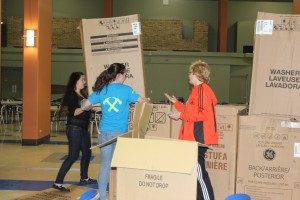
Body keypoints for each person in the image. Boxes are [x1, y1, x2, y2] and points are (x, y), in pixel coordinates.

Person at [81, 63, 148, 200]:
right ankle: (121, 192)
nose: (125, 77)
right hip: (120, 134)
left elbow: (85, 105)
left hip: (104, 132)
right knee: (121, 165)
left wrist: (92, 104)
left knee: (105, 165)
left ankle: (104, 196)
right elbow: (143, 102)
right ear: (119, 75)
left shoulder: (102, 90)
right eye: (125, 75)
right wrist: (147, 100)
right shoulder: (126, 90)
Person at [165, 60, 218, 200]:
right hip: (192, 139)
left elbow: (203, 115)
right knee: (196, 175)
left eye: (191, 72)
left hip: (197, 139)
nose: (188, 75)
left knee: (200, 175)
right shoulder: (196, 91)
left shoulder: (202, 91)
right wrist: (176, 103)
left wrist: (180, 115)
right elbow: (190, 111)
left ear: (198, 75)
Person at [53, 72, 97, 192]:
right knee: (73, 156)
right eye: (82, 79)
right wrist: (85, 107)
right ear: (76, 81)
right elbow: (74, 112)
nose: (84, 82)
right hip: (74, 128)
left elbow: (88, 108)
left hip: (83, 128)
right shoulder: (72, 95)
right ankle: (58, 182)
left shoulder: (82, 94)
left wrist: (95, 108)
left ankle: (84, 177)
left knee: (87, 154)